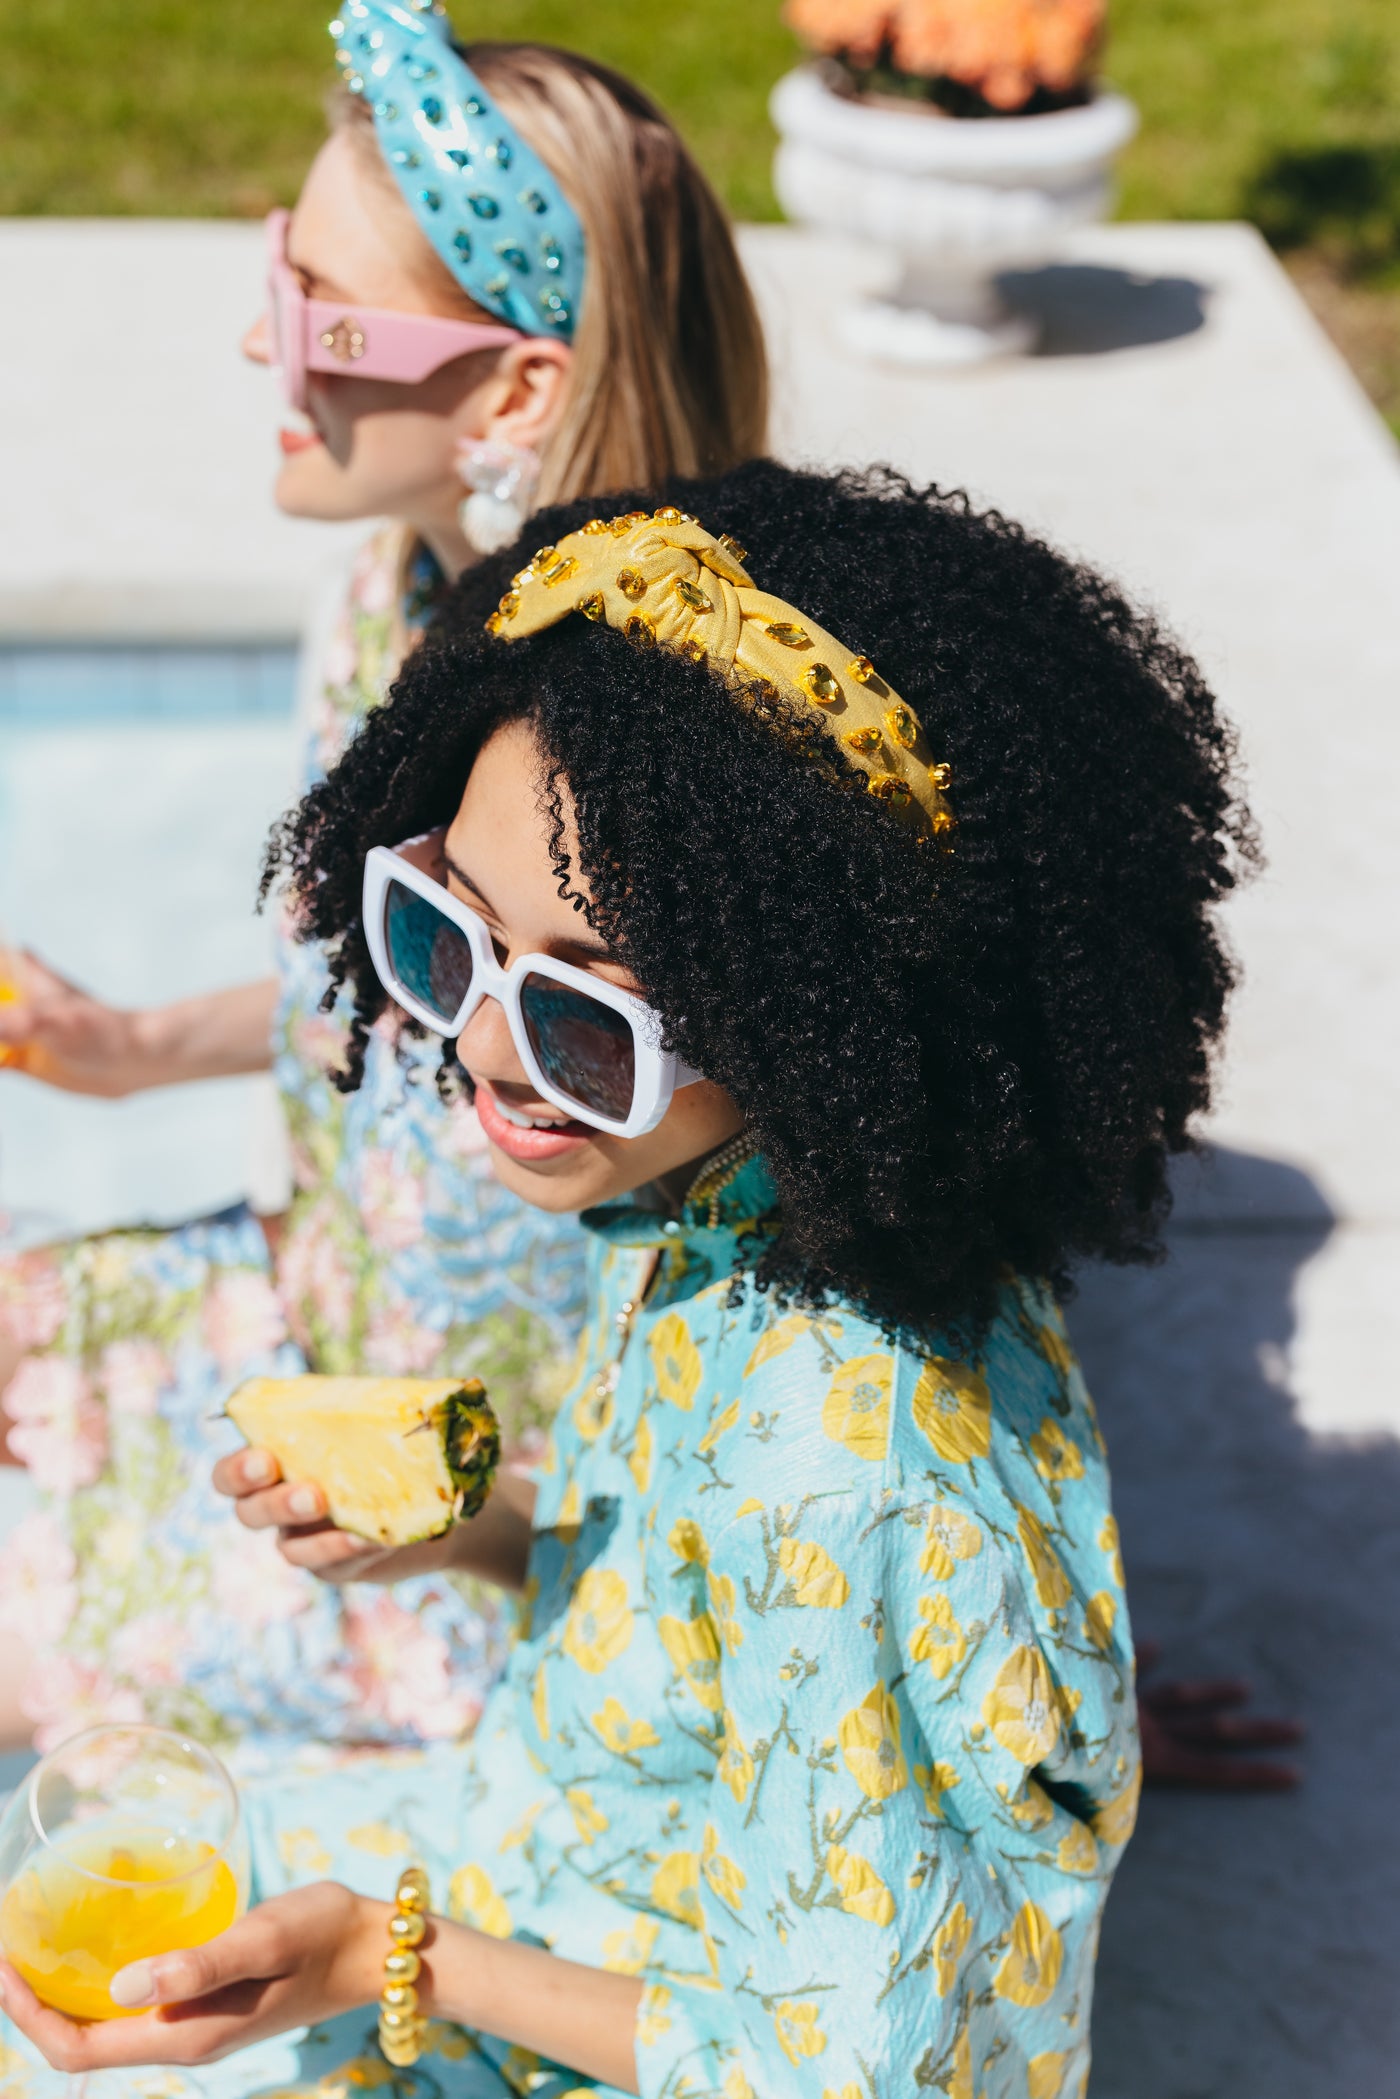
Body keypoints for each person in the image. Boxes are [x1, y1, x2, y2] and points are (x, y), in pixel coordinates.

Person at [0, 465, 1258, 2097]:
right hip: (550, 1879)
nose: (481, 1051)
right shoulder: (729, 1211)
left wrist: (393, 1959)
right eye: (445, 936)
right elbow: (706, 1624)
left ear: (819, 1020)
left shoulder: (857, 1481)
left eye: (590, 1022)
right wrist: (484, 1533)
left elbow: (837, 2072)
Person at [0, 3, 768, 1761]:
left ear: (513, 390)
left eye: (316, 312)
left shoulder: (641, 794)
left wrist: (991, 1659)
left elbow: (836, 1233)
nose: (261, 343)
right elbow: (370, 1004)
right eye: (279, 268)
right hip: (300, 1302)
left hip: (443, 1522)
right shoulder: (387, 598)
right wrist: (135, 1043)